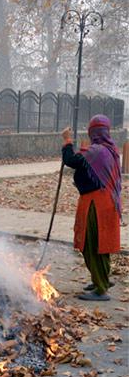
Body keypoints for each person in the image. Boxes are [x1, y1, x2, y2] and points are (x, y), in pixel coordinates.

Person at [61, 115, 122, 301]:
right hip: (104, 203)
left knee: (93, 244)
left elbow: (71, 160)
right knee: (99, 245)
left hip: (97, 205)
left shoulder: (97, 151)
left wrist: (67, 141)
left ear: (92, 132)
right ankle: (100, 279)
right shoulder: (111, 150)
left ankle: (101, 289)